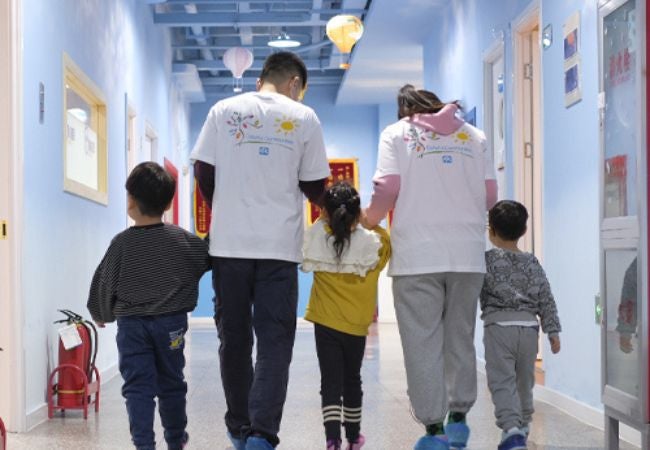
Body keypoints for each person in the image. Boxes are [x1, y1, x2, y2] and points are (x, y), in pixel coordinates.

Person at [190, 51, 331, 450]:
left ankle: (238, 428)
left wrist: (229, 206)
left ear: (260, 80)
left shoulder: (223, 109)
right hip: (279, 248)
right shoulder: (304, 117)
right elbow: (316, 186)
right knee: (274, 341)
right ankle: (262, 435)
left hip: (229, 246)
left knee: (233, 338)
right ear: (294, 85)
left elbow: (203, 172)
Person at [362, 84, 498, 450]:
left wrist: (369, 220)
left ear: (405, 110)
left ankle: (434, 429)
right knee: (460, 336)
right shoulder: (475, 136)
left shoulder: (396, 133)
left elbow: (387, 188)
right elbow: (490, 197)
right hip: (467, 254)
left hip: (418, 254)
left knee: (422, 341)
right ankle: (459, 418)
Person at [87, 161, 210, 450]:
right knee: (171, 383)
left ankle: (144, 445)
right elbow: (207, 258)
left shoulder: (121, 243)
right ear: (168, 203)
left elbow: (105, 281)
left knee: (138, 387)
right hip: (171, 325)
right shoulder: (181, 240)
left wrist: (100, 312)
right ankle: (176, 440)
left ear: (130, 201)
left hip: (132, 326)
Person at [302, 182, 391, 450]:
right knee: (352, 378)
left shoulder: (316, 237)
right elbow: (384, 244)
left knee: (330, 380)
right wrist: (368, 221)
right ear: (356, 212)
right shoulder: (374, 243)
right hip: (356, 325)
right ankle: (354, 437)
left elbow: (315, 230)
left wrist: (326, 216)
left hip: (325, 322)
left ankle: (332, 439)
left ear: (325, 212)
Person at [480, 200, 561, 450]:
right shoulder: (531, 262)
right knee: (525, 380)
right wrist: (553, 330)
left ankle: (511, 428)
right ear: (524, 231)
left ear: (491, 231)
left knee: (502, 381)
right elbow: (545, 296)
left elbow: (470, 291)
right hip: (528, 330)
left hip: (498, 330)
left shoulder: (485, 261)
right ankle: (524, 425)